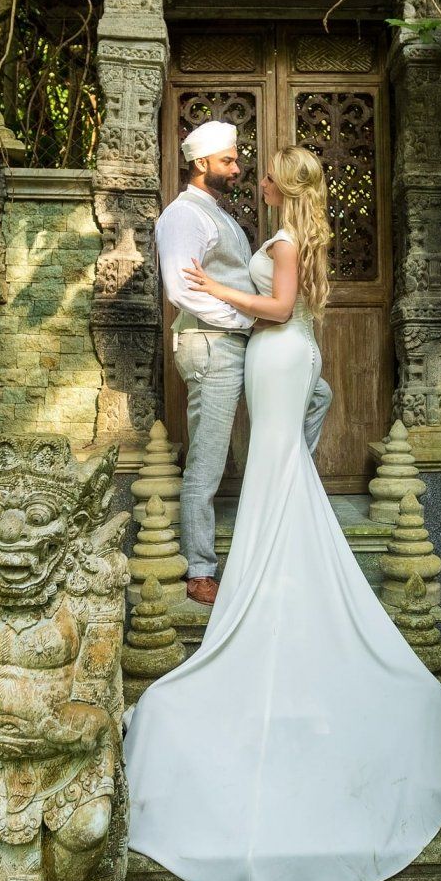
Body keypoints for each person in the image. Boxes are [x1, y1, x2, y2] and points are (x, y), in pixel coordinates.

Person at [124, 145, 441, 881]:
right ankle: (275, 562)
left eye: (270, 172)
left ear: (285, 185)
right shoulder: (300, 236)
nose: (260, 179)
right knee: (280, 469)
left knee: (276, 466)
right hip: (287, 356)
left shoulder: (284, 242)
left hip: (277, 353)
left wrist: (217, 287)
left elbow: (279, 310)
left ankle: (270, 571)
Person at [154, 121, 331, 606]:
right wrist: (243, 319)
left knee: (319, 395)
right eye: (228, 161)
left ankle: (288, 492)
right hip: (213, 343)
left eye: (236, 160)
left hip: (245, 342)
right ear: (202, 163)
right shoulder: (183, 216)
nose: (238, 169)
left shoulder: (217, 212)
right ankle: (200, 569)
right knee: (208, 457)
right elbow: (182, 289)